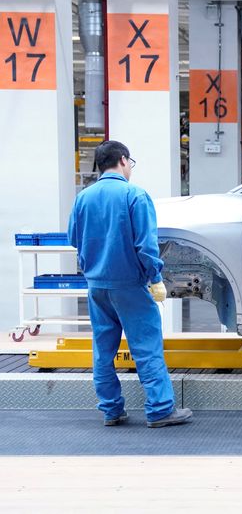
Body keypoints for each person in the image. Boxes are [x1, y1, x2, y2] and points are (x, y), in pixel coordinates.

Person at [68, 140, 192, 428]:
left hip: (96, 286)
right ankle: (160, 409)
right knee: (146, 348)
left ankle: (111, 410)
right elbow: (146, 246)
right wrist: (156, 278)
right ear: (123, 160)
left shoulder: (83, 198)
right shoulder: (134, 194)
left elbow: (73, 238)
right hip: (130, 285)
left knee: (103, 350)